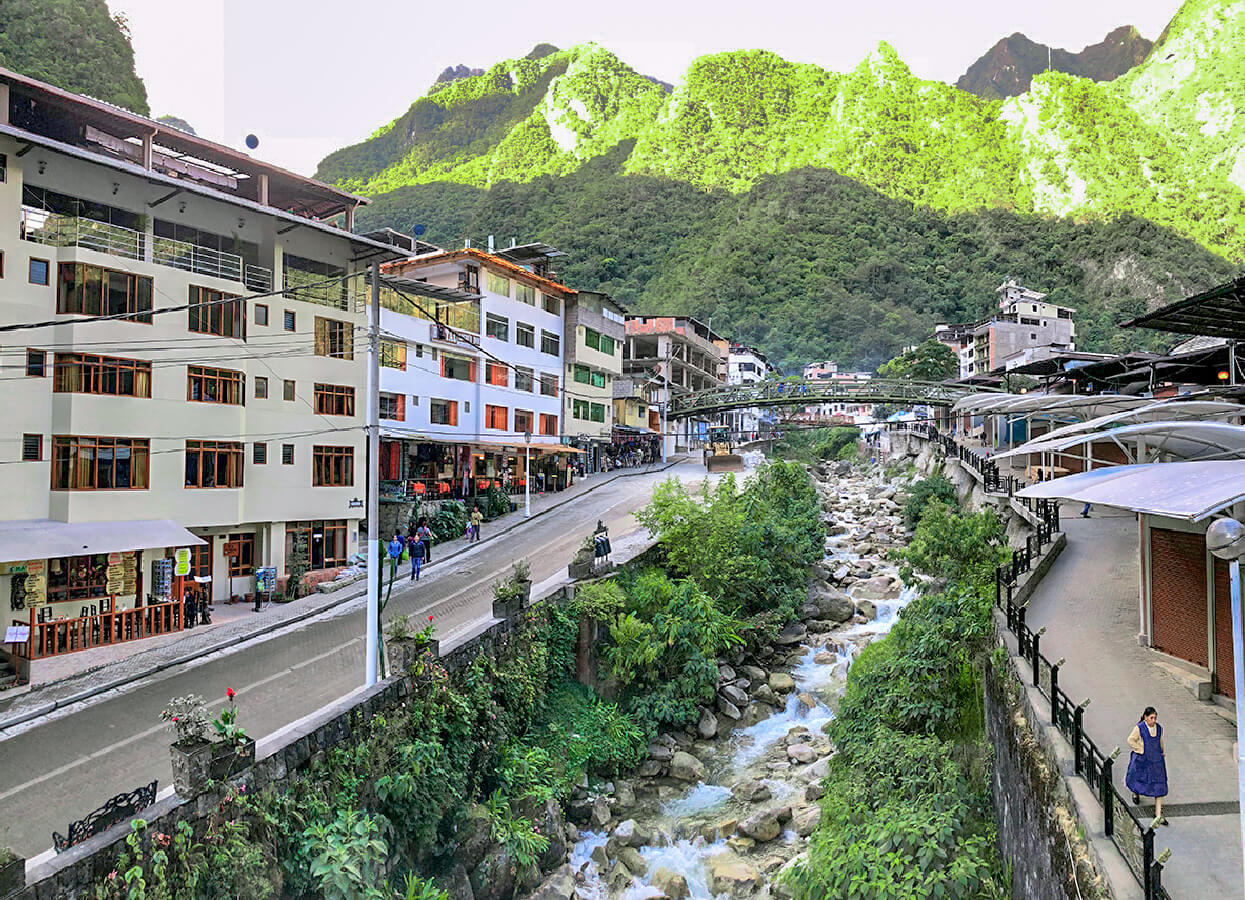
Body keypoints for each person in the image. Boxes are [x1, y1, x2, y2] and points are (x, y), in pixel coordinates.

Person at [1125, 706, 1169, 823]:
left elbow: (1160, 740)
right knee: (1138, 778)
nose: (1153, 720)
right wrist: (1140, 750)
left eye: (1155, 718)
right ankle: (1135, 793)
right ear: (1145, 717)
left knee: (1159, 784)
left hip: (1156, 761)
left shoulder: (1159, 728)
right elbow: (1130, 740)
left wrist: (1162, 751)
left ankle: (1158, 814)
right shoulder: (1139, 728)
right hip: (1142, 760)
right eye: (1151, 718)